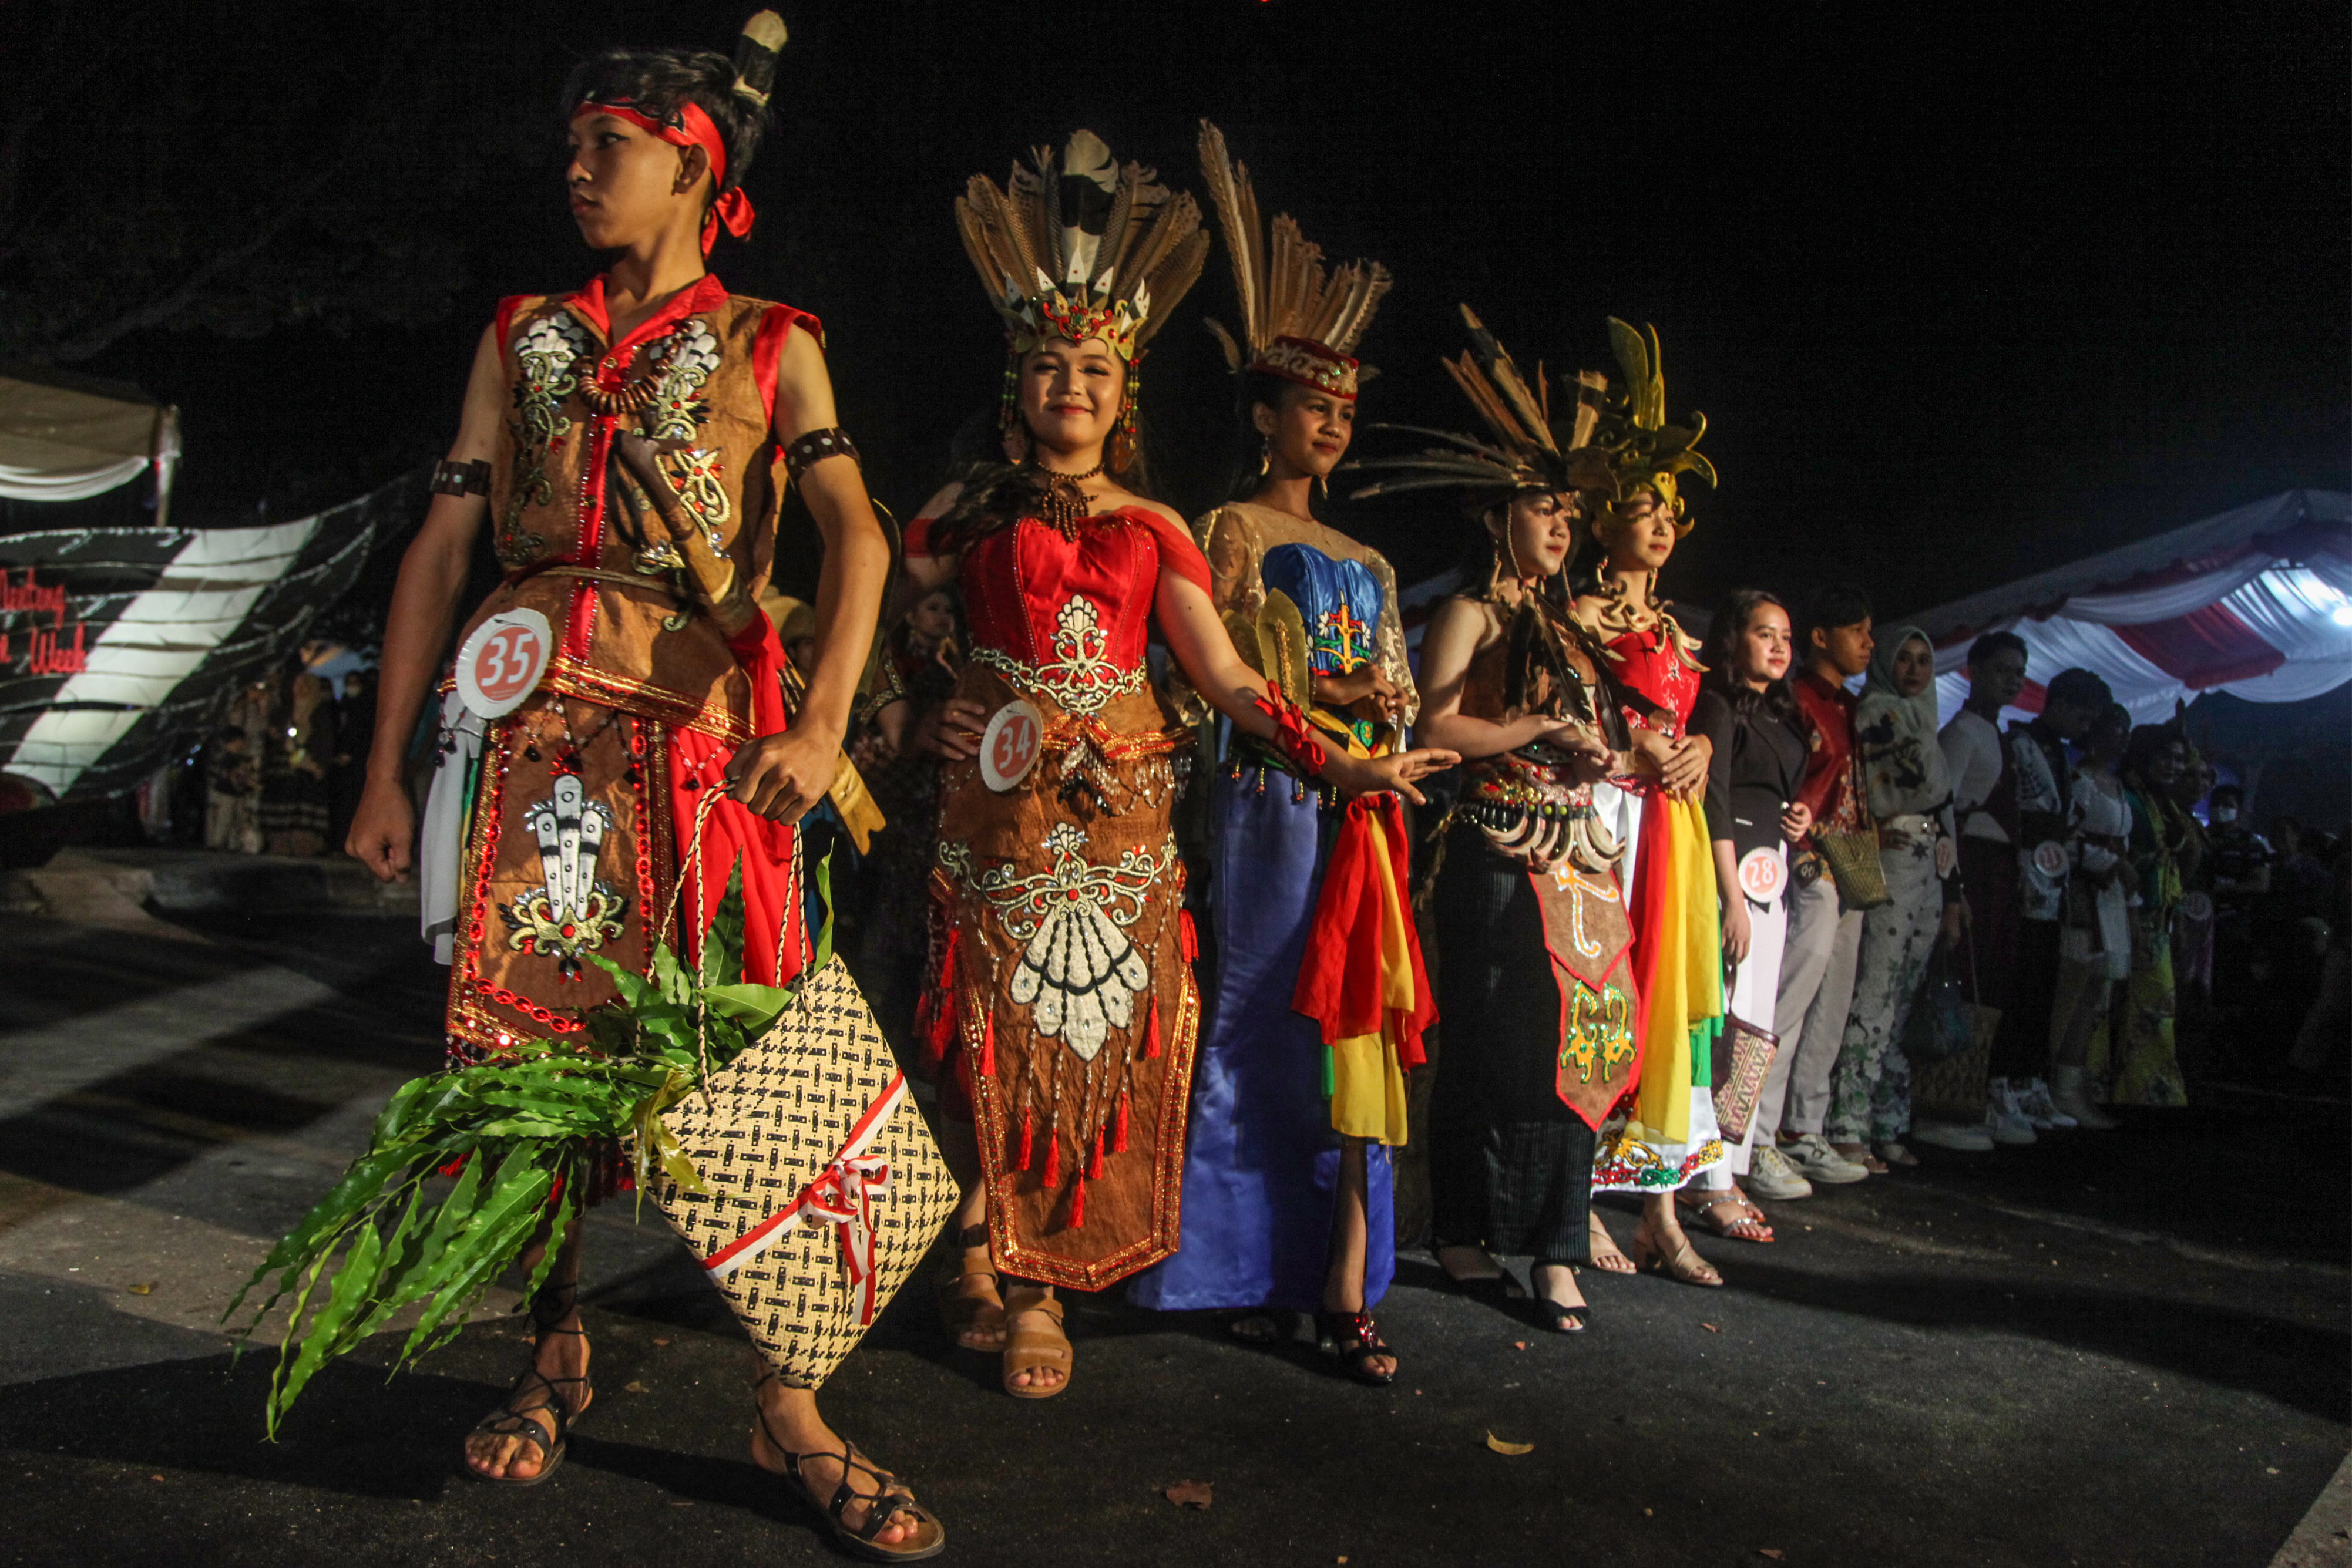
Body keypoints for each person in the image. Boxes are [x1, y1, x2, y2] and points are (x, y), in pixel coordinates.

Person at [338, 22, 943, 1557]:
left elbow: (856, 536)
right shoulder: (521, 333)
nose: (576, 168)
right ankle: (553, 1349)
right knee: (533, 1061)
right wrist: (387, 767)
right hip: (535, 744)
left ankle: (789, 1402)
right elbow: (445, 543)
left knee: (763, 1059)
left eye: (606, 142)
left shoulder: (768, 339)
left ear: (693, 164)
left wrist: (820, 723)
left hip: (708, 749)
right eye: (571, 144)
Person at [906, 132, 1450, 1401]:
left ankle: (1038, 1282)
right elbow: (890, 616)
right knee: (984, 1034)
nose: (1071, 384)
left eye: (1095, 367)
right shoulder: (964, 511)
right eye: (1049, 364)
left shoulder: (1156, 527)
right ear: (1016, 381)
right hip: (991, 812)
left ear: (1125, 393)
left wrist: (1340, 766)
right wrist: (913, 707)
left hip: (1119, 825)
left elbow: (1224, 676)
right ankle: (977, 1246)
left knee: (1085, 1039)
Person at [1128, 124, 1432, 1382]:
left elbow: (1399, 686)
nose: (1334, 427)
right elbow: (1211, 677)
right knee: (1258, 1014)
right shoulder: (1226, 530)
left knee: (1347, 1028)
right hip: (1268, 800)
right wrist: (1327, 701)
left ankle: (1336, 1273)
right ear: (1264, 415)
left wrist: (1381, 708)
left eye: (1347, 412)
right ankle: (1233, 1266)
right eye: (1315, 407)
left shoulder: (1374, 561)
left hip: (1363, 809)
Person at [1349, 307, 1642, 1330]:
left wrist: (1605, 751)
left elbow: (1604, 729)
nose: (1561, 527)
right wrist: (1533, 727)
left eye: (1568, 513)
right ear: (1495, 519)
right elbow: (1435, 725)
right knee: (1491, 1041)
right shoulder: (1470, 613)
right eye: (1541, 509)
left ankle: (1556, 1246)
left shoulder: (1572, 627)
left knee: (1582, 1039)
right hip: (1495, 847)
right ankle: (1467, 1233)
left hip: (1580, 854)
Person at [1571, 319, 1728, 1287]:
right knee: (1605, 990)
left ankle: (1659, 1212)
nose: (1661, 524)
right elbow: (1571, 711)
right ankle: (1581, 1196)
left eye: (1669, 510)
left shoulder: (1675, 629)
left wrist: (1700, 745)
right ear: (1601, 525)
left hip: (1671, 825)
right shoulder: (1582, 617)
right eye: (1641, 508)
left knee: (1669, 1004)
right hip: (1608, 813)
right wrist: (1628, 748)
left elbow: (1694, 721)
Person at [1678, 589, 1810, 1238]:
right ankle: (1705, 1177)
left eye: (1785, 635)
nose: (1779, 646)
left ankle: (1727, 1167)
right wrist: (1731, 898)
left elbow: (1772, 793)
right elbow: (1717, 803)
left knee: (1754, 1030)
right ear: (1734, 640)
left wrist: (1799, 818)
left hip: (1771, 882)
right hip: (1729, 882)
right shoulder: (1718, 706)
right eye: (1764, 634)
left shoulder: (1783, 715)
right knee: (1722, 1028)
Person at [1825, 626, 1963, 1167]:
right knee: (1877, 989)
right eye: (1903, 659)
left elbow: (1940, 800)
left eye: (1924, 660)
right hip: (1895, 853)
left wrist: (1955, 891)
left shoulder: (1924, 718)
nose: (1914, 670)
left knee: (1905, 994)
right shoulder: (1876, 713)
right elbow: (1913, 787)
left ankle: (1885, 1120)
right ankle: (1847, 1122)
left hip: (1930, 858)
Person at [1768, 585, 1887, 1179]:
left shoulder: (1849, 706)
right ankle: (1754, 1133)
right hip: (1809, 860)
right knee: (1789, 998)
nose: (1868, 643)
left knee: (1832, 1002)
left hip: (1850, 861)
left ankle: (1803, 1127)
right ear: (1820, 636)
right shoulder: (1795, 700)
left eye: (1869, 632)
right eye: (1856, 631)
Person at [1935, 630, 2070, 1132]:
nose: (2012, 681)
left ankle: (1978, 1091)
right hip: (1972, 869)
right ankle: (1945, 1098)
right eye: (2002, 670)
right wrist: (1954, 886)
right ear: (1974, 672)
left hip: (2000, 871)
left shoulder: (1998, 734)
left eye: (2019, 673)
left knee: (1994, 983)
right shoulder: (1962, 733)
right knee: (1967, 980)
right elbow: (1942, 809)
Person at [1991, 665, 2111, 1142]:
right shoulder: (2021, 743)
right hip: (2024, 875)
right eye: (2083, 717)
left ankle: (2028, 1081)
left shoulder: (2057, 752)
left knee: (2042, 985)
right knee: (2019, 983)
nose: (2086, 728)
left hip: (2050, 881)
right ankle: (2002, 1083)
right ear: (2060, 705)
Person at [2091, 723, 2193, 1106]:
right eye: (2165, 756)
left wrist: (2177, 916)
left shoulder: (2164, 802)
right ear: (2144, 756)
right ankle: (2115, 1091)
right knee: (2110, 1005)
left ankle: (2141, 1092)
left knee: (2152, 1008)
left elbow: (2171, 866)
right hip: (2123, 915)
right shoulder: (2127, 798)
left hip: (2158, 920)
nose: (2173, 765)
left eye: (2179, 759)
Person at [2048, 701, 2131, 1128]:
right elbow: (2065, 838)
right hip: (2084, 894)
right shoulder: (2079, 782)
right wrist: (2106, 862)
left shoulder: (2115, 785)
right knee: (2073, 990)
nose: (2123, 737)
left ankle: (2070, 1085)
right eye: (2116, 728)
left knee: (2094, 994)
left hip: (2109, 896)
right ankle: (2055, 1086)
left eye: (2127, 729)